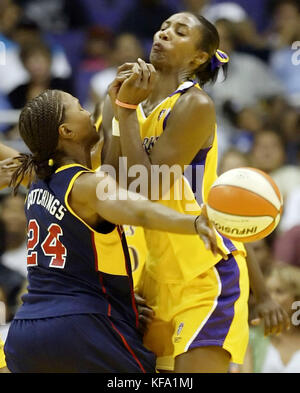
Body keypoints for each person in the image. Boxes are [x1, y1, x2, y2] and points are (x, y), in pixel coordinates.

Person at [102, 12, 289, 373]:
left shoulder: (195, 105)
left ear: (198, 57)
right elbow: (112, 188)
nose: (163, 33)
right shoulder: (136, 106)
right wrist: (118, 109)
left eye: (179, 31)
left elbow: (147, 188)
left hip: (205, 275)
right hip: (153, 281)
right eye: (163, 27)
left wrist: (262, 294)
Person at [1, 89, 222, 373]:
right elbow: (139, 210)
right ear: (66, 131)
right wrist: (192, 223)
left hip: (27, 331)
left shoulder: (38, 180)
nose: (88, 114)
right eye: (79, 107)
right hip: (83, 324)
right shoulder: (86, 185)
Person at [242, 264, 300, 373]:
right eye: (267, 293)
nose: (271, 299)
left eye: (279, 291)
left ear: (297, 298)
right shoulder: (251, 338)